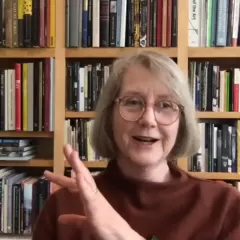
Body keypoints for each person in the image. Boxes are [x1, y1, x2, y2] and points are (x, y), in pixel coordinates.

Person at [32, 51, 240, 240]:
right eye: (133, 102)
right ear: (109, 115)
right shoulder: (63, 206)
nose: (148, 119)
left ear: (182, 121)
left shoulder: (226, 207)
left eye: (165, 105)